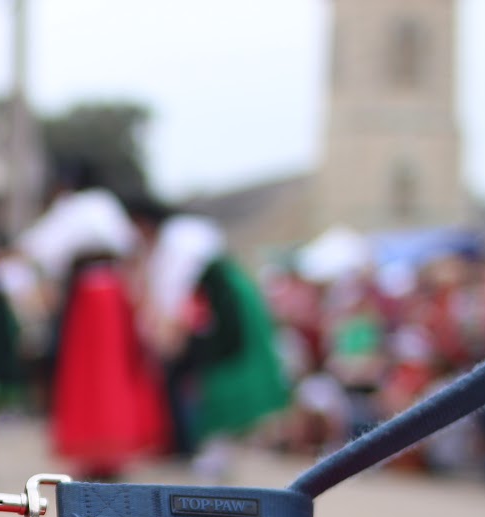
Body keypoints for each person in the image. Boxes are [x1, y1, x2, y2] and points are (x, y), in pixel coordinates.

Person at [18, 167, 166, 479]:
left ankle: (92, 450)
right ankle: (115, 449)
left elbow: (36, 248)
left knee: (87, 373)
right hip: (114, 294)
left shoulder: (72, 207)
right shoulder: (106, 205)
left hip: (86, 297)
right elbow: (132, 249)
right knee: (114, 372)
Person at [125, 197, 287, 480]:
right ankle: (207, 445)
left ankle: (213, 446)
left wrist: (167, 334)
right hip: (216, 303)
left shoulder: (177, 239)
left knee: (217, 375)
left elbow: (174, 290)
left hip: (220, 305)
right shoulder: (177, 238)